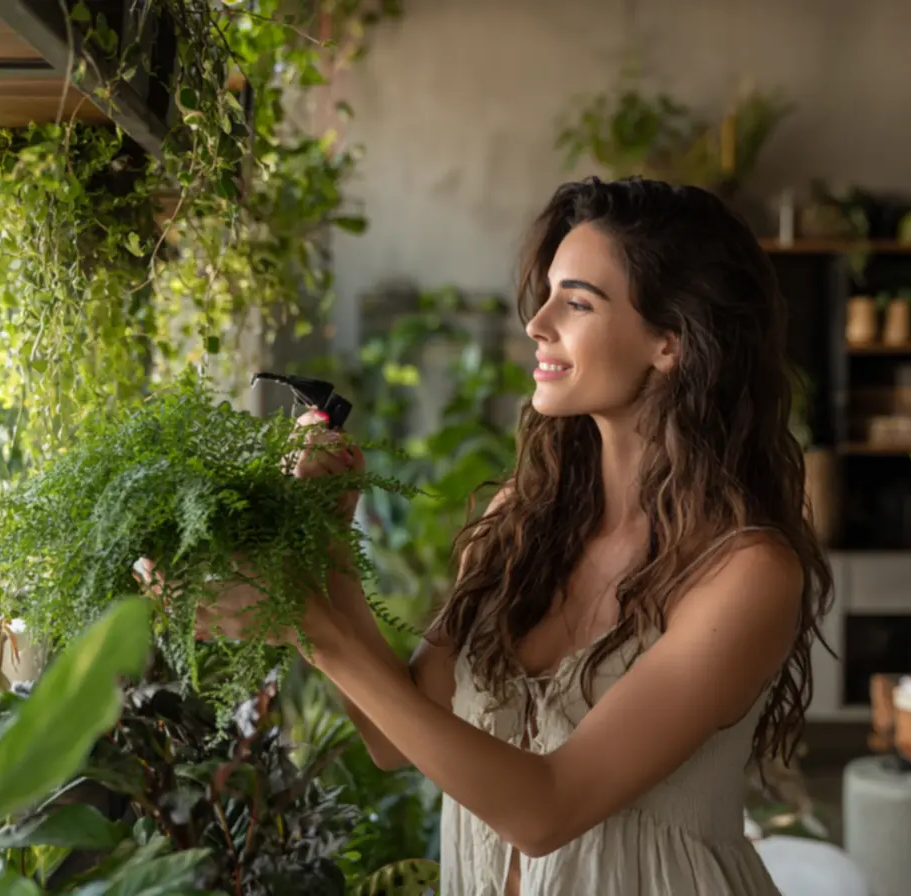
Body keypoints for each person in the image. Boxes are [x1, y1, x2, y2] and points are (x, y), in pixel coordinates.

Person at [200, 176, 833, 895]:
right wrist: (328, 545)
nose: (537, 322)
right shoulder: (522, 523)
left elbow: (547, 809)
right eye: (548, 293)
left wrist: (310, 629)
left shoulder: (744, 574)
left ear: (670, 342)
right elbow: (391, 738)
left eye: (578, 301)